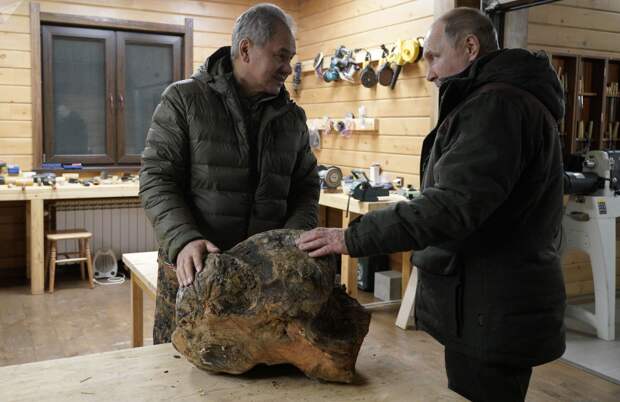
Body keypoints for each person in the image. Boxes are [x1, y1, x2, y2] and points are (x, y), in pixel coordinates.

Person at [297, 7, 565, 402]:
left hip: (491, 305)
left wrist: (351, 237)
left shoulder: (497, 107)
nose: (429, 74)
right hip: (490, 302)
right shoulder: (504, 101)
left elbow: (451, 206)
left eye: (435, 57)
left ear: (470, 47)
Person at [140, 3, 319, 345]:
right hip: (197, 271)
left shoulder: (292, 118)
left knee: (260, 364)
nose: (287, 68)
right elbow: (156, 179)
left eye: (290, 58)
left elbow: (306, 186)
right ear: (246, 50)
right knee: (178, 363)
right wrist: (182, 238)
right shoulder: (183, 99)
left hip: (267, 278)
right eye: (281, 56)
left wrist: (294, 240)